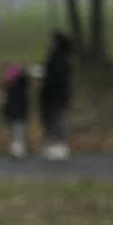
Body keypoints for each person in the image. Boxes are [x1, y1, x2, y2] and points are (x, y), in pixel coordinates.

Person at [39, 32, 72, 160]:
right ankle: (52, 145)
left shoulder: (61, 59)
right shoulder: (56, 57)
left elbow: (58, 78)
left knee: (57, 119)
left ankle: (60, 145)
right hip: (51, 95)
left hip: (56, 95)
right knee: (51, 119)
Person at [0, 61, 29, 158]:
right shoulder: (16, 88)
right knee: (16, 129)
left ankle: (19, 146)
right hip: (15, 113)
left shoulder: (17, 89)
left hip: (17, 113)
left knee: (18, 130)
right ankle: (17, 145)